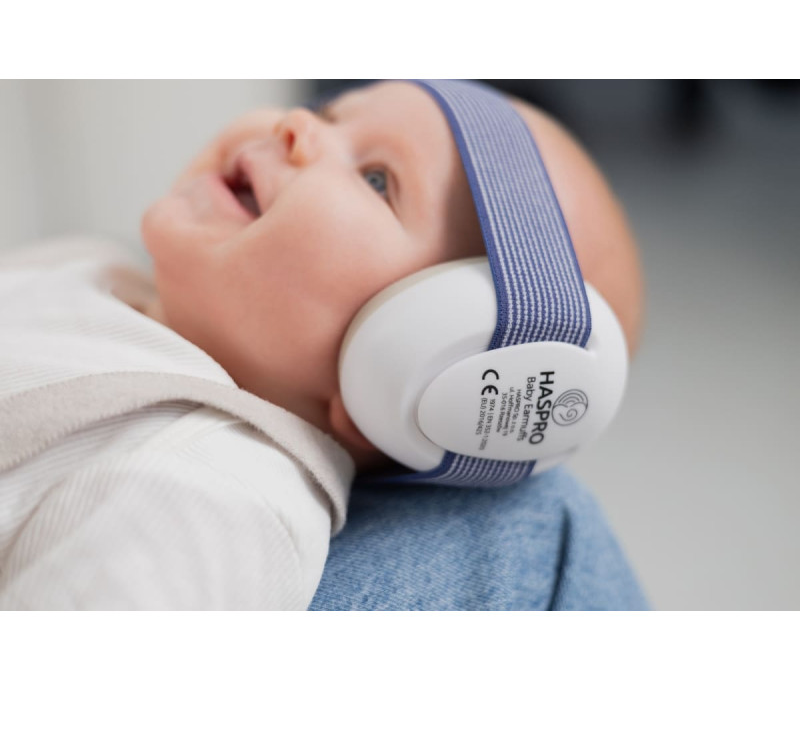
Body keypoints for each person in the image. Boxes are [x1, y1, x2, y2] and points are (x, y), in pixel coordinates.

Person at [0, 80, 645, 610]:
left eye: (376, 179)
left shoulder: (208, 495)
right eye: (331, 112)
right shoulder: (99, 269)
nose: (296, 125)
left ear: (413, 353)